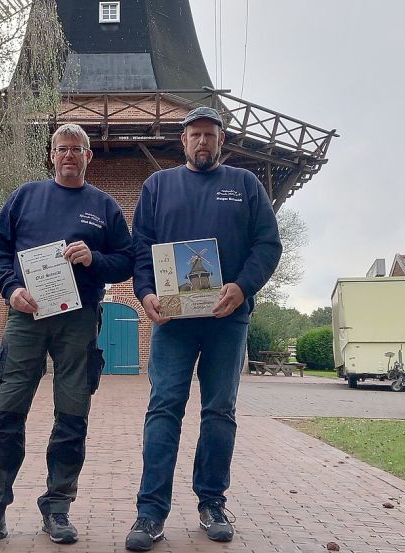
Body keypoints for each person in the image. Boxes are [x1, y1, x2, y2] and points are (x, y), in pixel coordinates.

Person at [0, 123, 134, 549]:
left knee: (72, 415)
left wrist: (95, 259)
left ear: (89, 156)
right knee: (7, 411)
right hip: (27, 318)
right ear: (51, 155)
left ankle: (58, 507)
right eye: (62, 148)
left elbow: (126, 261)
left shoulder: (103, 206)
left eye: (78, 149)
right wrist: (11, 289)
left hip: (78, 320)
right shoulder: (24, 197)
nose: (69, 155)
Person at [124, 106, 283, 551]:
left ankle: (212, 502)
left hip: (226, 318)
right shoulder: (158, 185)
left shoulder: (245, 185)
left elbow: (268, 244)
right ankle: (150, 511)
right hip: (173, 321)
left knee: (219, 411)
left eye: (210, 135)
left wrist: (242, 285)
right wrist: (145, 292)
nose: (202, 142)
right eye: (194, 134)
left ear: (222, 139)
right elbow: (141, 248)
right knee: (163, 409)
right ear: (183, 140)